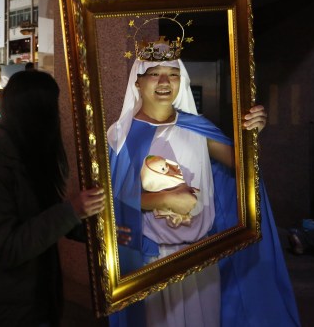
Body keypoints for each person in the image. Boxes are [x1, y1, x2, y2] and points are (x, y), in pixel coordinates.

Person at [107, 55, 300, 326]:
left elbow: (241, 166)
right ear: (137, 82)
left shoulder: (197, 128)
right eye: (154, 74)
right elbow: (115, 204)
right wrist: (164, 199)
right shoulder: (121, 135)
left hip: (203, 254)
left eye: (172, 74)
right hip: (153, 260)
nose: (164, 81)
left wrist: (253, 132)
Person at [0, 70, 105, 326]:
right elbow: (4, 249)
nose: (57, 117)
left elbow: (46, 216)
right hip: (1, 309)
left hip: (41, 301)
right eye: (51, 109)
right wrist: (71, 211)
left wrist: (102, 230)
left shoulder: (33, 154)